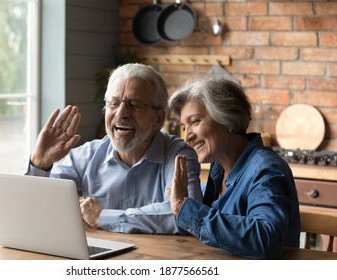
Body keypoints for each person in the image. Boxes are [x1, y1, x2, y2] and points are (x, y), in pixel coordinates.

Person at [26, 63, 203, 234]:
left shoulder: (178, 155)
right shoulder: (86, 156)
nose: (121, 113)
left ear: (158, 119)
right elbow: (36, 206)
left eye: (134, 105)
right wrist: (39, 164)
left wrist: (103, 217)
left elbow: (187, 217)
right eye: (114, 103)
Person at [167, 78, 300, 259]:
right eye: (184, 127)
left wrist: (185, 208)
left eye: (195, 121)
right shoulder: (218, 168)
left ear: (227, 118)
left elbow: (267, 239)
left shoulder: (264, 169)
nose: (187, 137)